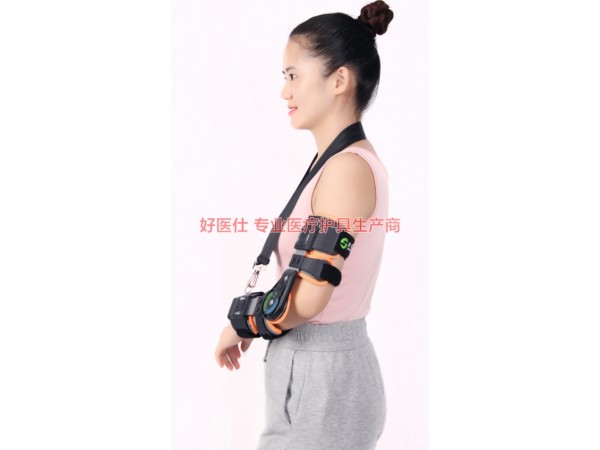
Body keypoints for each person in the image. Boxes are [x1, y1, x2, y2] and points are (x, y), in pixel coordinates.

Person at [215, 1, 393, 448]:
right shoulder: (339, 162)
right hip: (323, 373)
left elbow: (311, 298)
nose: (285, 92)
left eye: (293, 75)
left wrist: (244, 322)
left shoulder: (346, 169)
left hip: (321, 379)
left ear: (339, 80)